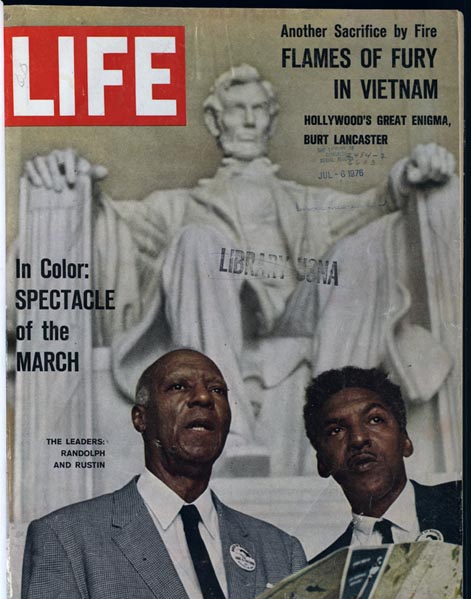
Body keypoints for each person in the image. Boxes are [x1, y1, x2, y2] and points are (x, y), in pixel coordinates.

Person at [22, 64, 456, 462]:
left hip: (294, 316)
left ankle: (332, 431)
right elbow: (111, 220)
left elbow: (374, 204)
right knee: (196, 240)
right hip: (220, 314)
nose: (248, 121)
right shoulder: (180, 207)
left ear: (270, 119)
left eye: (257, 110)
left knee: (357, 251)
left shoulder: (303, 202)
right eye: (236, 111)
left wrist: (408, 175)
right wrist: (72, 180)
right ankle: (228, 431)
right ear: (215, 120)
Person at [21, 349, 306, 599]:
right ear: (140, 419)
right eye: (179, 386)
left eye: (217, 390)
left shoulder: (281, 551)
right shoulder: (63, 538)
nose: (204, 398)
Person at [303, 366, 461, 563]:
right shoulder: (316, 575)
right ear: (322, 463)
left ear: (406, 441)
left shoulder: (460, 503)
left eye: (375, 419)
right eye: (336, 430)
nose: (358, 439)